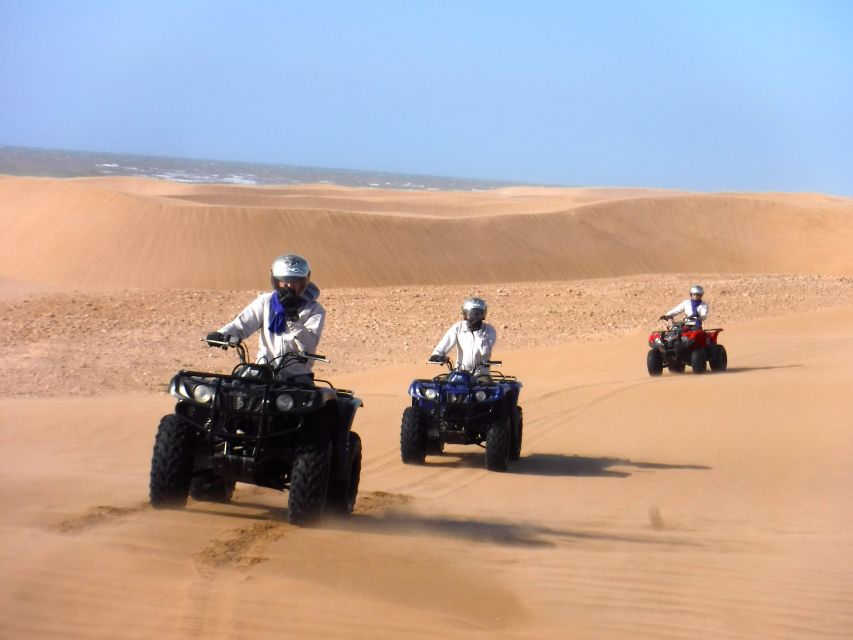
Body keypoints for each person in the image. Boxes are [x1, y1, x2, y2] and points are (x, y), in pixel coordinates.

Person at [205, 253, 325, 380]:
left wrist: (292, 318)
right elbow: (241, 325)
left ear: (304, 282)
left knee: (307, 397)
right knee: (237, 389)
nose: (289, 286)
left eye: (295, 282)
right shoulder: (265, 302)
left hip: (296, 375)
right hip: (264, 370)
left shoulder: (314, 309)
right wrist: (221, 334)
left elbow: (309, 346)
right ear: (276, 281)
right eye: (284, 282)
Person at [429, 297, 497, 378]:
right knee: (441, 386)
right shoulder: (459, 327)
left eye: (478, 313)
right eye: (471, 313)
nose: (474, 316)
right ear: (465, 314)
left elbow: (485, 351)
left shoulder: (489, 330)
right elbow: (445, 343)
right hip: (460, 372)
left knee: (486, 389)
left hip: (481, 374)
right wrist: (437, 355)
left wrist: (477, 331)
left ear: (483, 314)